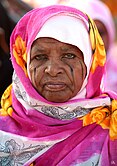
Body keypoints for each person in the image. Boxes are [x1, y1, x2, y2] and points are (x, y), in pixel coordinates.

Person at [0, 5, 117, 166]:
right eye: (40, 56)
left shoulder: (112, 125)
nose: (52, 70)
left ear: (91, 61)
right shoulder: (4, 123)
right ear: (24, 62)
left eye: (69, 55)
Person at [61, 0, 117, 94]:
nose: (94, 40)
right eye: (86, 32)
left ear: (110, 33)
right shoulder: (56, 78)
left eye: (100, 32)